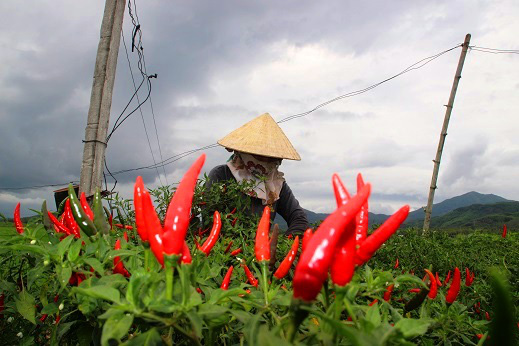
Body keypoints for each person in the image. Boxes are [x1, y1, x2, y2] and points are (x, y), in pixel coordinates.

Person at [207, 113, 309, 234]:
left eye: (270, 158)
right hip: (226, 249)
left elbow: (298, 218)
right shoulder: (222, 175)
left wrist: (281, 245)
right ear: (243, 152)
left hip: (263, 250)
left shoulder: (276, 183)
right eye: (260, 156)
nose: (265, 162)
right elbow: (210, 220)